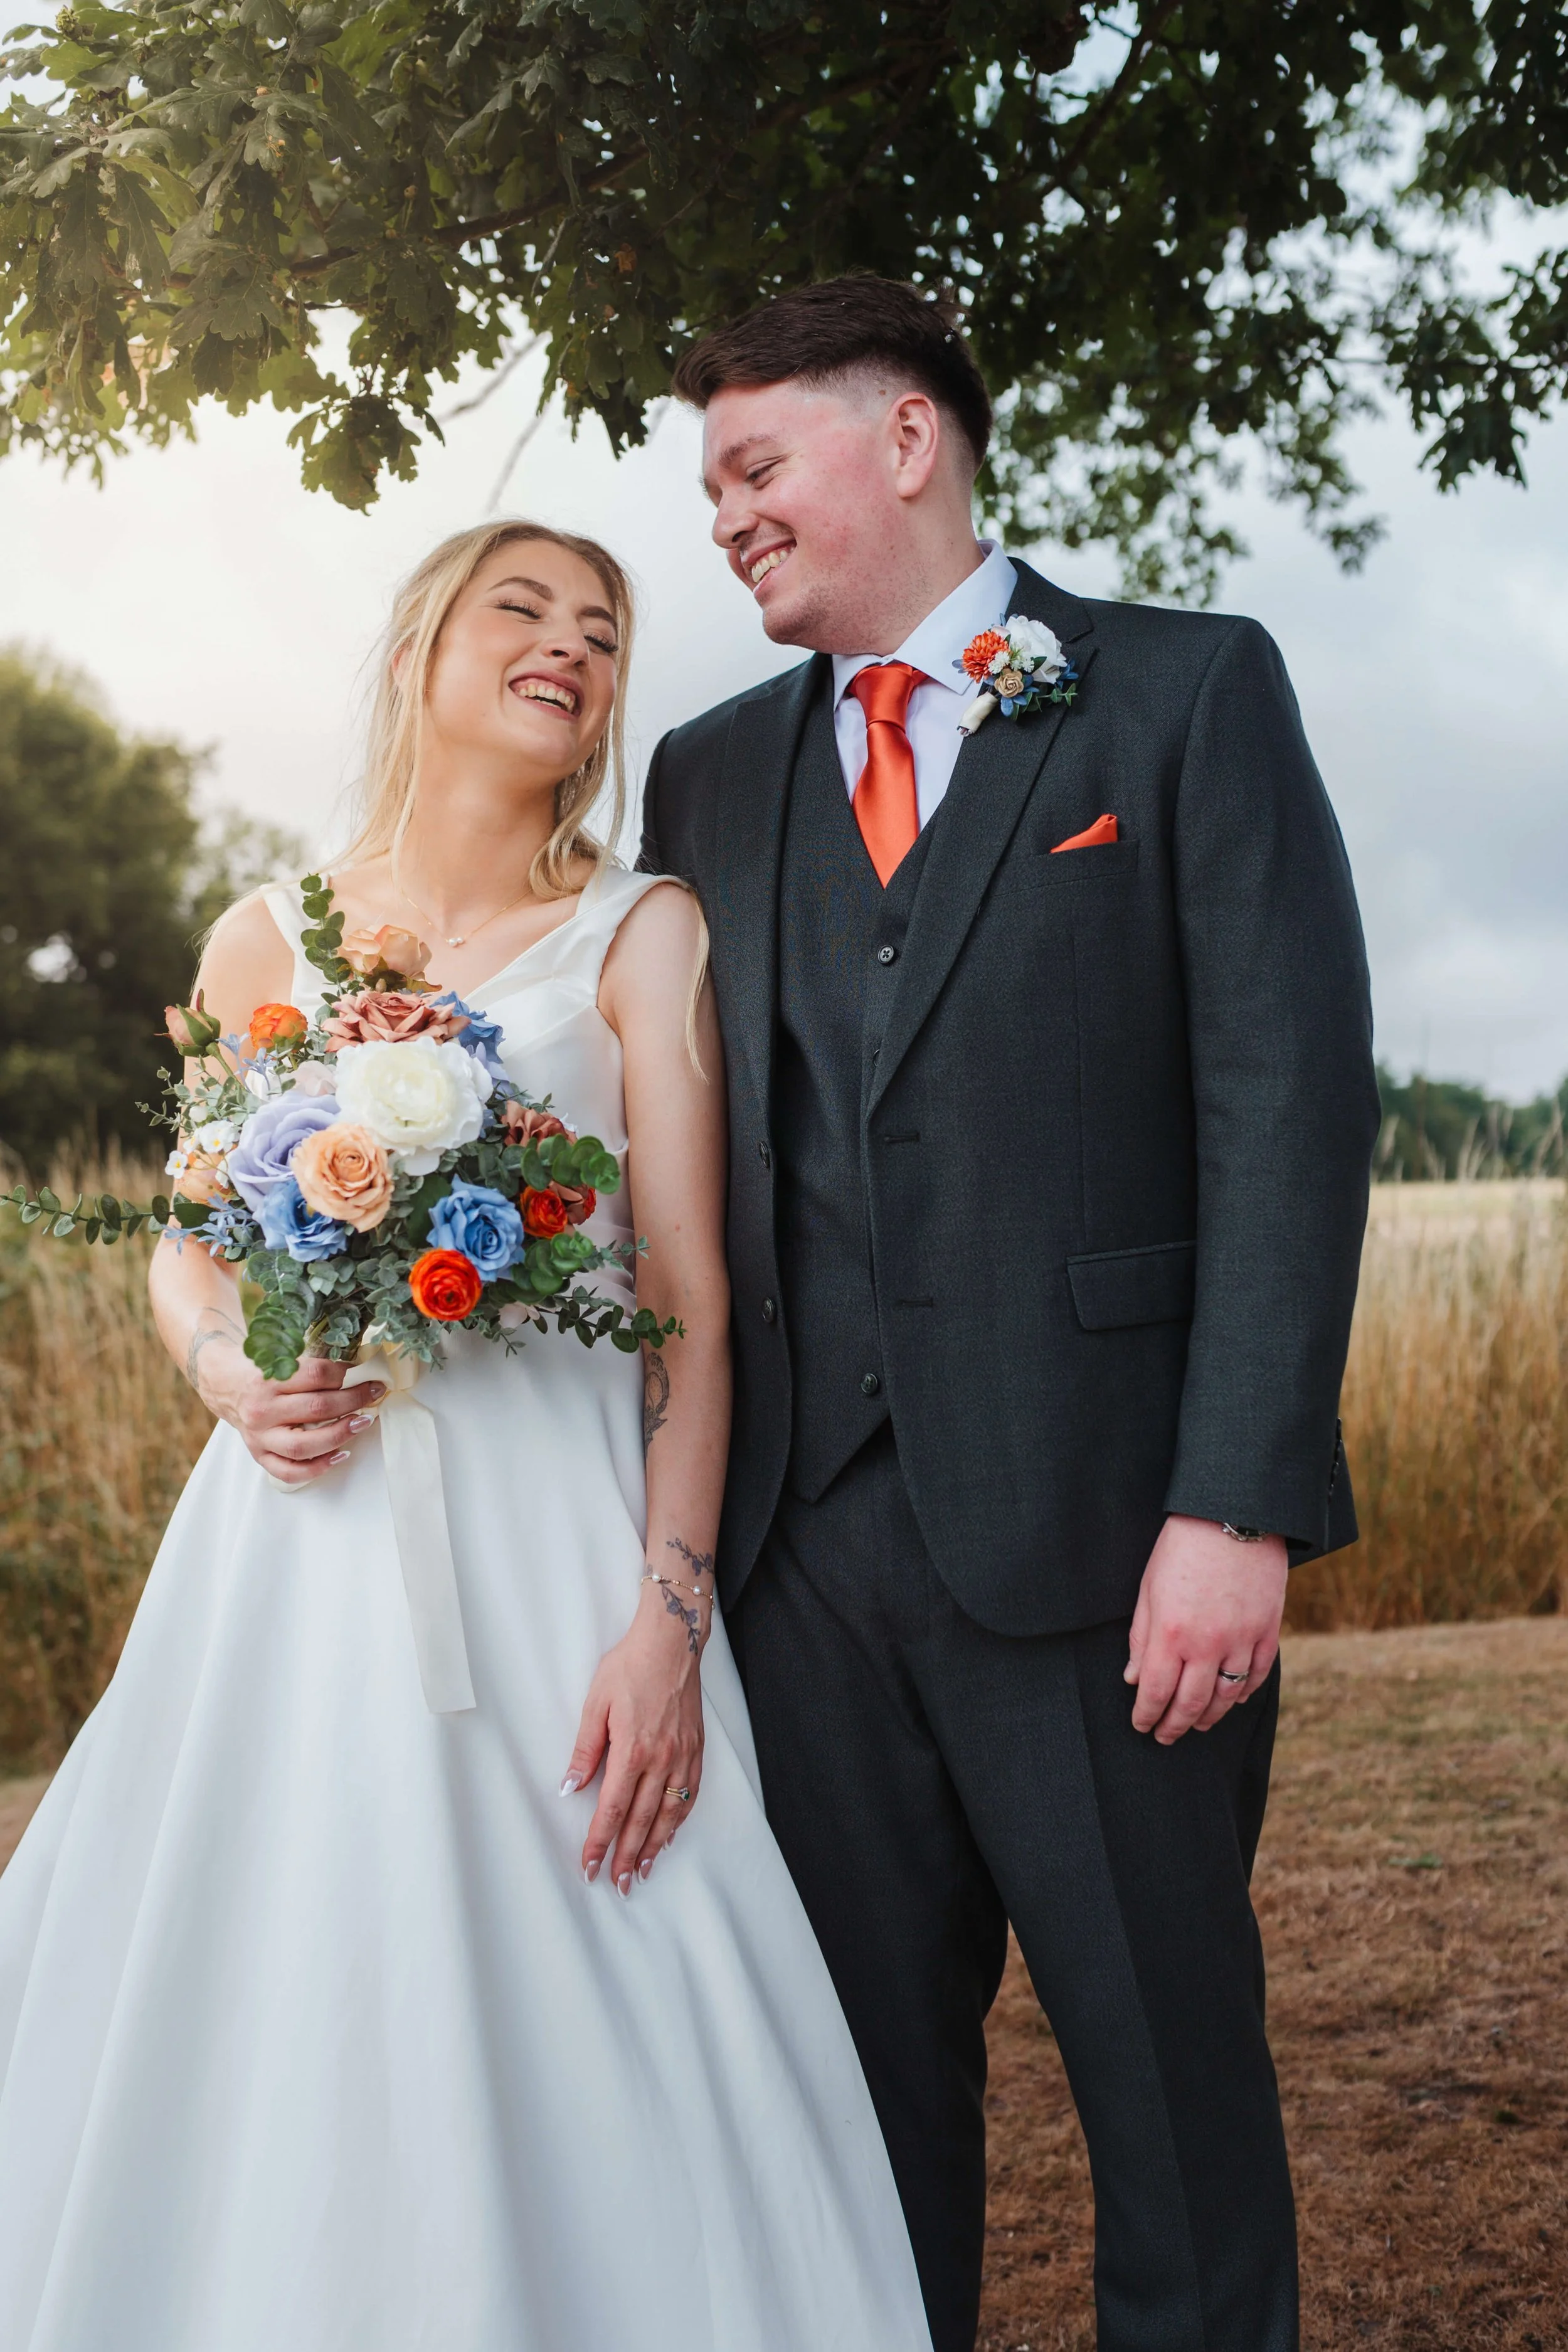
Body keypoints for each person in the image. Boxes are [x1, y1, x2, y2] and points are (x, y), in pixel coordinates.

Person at [0, 521, 933, 2352]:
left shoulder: (639, 930)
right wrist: (229, 1378)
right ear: (426, 644)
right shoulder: (264, 931)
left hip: (555, 1549)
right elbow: (190, 1251)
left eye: (600, 631)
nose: (566, 645)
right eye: (521, 608)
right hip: (297, 1542)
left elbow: (685, 1304)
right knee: (270, 1963)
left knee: (607, 1956)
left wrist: (667, 1621)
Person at [640, 275, 1381, 2352]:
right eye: (710, 486)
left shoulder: (1179, 695)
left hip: (1109, 1549)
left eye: (756, 464)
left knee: (1167, 2097)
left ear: (909, 442)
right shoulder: (704, 781)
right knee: (855, 2126)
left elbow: (1285, 1105)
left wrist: (1234, 1502)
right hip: (805, 1565)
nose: (728, 518)